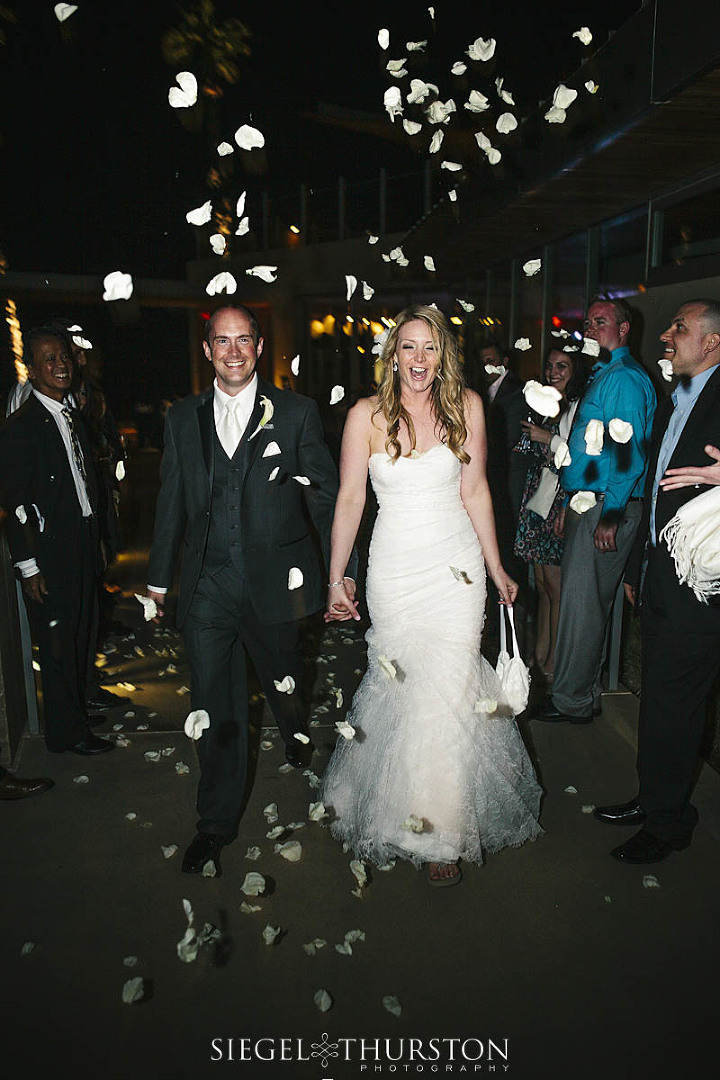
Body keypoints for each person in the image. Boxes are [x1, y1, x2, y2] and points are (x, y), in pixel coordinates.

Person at [320, 305, 542, 887]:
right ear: (392, 355)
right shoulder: (364, 417)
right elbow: (349, 500)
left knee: (448, 692)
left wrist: (496, 568)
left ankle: (442, 831)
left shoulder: (468, 406)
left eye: (430, 348)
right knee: (403, 691)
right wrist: (335, 573)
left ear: (444, 354)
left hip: (456, 573)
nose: (418, 360)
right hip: (394, 571)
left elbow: (476, 493)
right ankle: (390, 808)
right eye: (408, 348)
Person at [146, 304, 352, 877]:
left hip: (276, 585)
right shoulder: (182, 418)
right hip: (208, 586)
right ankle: (214, 824)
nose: (233, 351)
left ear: (260, 348)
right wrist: (160, 582)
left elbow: (327, 498)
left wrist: (342, 574)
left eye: (244, 340)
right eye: (221, 341)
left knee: (283, 677)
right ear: (207, 349)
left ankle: (292, 725)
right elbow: (169, 504)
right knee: (215, 705)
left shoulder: (296, 413)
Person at [594, 299, 720, 863]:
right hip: (661, 576)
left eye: (679, 328)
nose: (665, 335)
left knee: (678, 704)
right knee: (658, 699)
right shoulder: (677, 397)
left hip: (702, 585)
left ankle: (669, 823)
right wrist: (641, 569)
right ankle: (654, 798)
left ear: (712, 342)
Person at [534, 296, 656, 723]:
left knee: (583, 607)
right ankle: (572, 694)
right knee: (580, 605)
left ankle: (572, 702)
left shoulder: (622, 379)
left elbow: (629, 453)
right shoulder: (606, 375)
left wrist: (610, 513)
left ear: (623, 330)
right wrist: (574, 502)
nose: (589, 328)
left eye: (600, 322)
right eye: (587, 322)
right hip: (593, 502)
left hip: (608, 505)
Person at [0, 327, 113, 756]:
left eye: (63, 357)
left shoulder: (69, 414)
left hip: (79, 537)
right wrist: (28, 566)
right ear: (31, 370)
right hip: (49, 547)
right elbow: (15, 501)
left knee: (83, 628)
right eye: (48, 359)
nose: (60, 365)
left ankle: (78, 710)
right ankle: (66, 734)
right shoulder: (22, 426)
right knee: (58, 640)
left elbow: (83, 482)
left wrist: (95, 537)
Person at [514, 348, 587, 679]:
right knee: (542, 584)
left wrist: (549, 438)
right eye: (550, 366)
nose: (554, 371)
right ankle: (541, 655)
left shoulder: (577, 406)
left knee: (555, 587)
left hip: (557, 498)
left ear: (575, 370)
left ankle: (554, 664)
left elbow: (578, 455)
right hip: (538, 497)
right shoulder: (549, 405)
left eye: (563, 366)